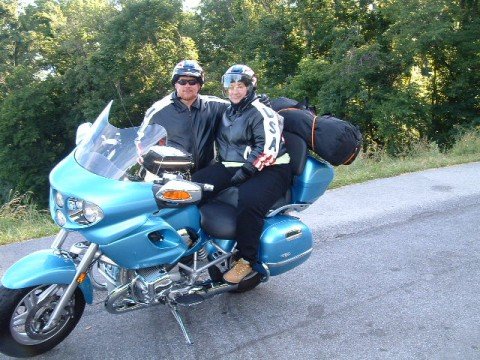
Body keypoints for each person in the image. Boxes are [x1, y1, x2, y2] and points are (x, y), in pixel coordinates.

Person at [192, 64, 292, 284]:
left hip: (272, 166)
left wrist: (247, 171)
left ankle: (247, 261)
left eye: (240, 86)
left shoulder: (261, 111)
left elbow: (268, 148)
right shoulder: (228, 110)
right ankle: (193, 241)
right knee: (194, 185)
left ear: (250, 87)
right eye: (231, 86)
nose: (235, 91)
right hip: (234, 164)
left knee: (248, 201)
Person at [140, 60, 229, 172]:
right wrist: (142, 157)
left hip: (207, 173)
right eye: (182, 81)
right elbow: (142, 143)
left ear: (199, 84)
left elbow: (243, 109)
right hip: (172, 175)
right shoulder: (158, 110)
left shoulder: (215, 106)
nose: (187, 86)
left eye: (192, 82)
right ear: (175, 83)